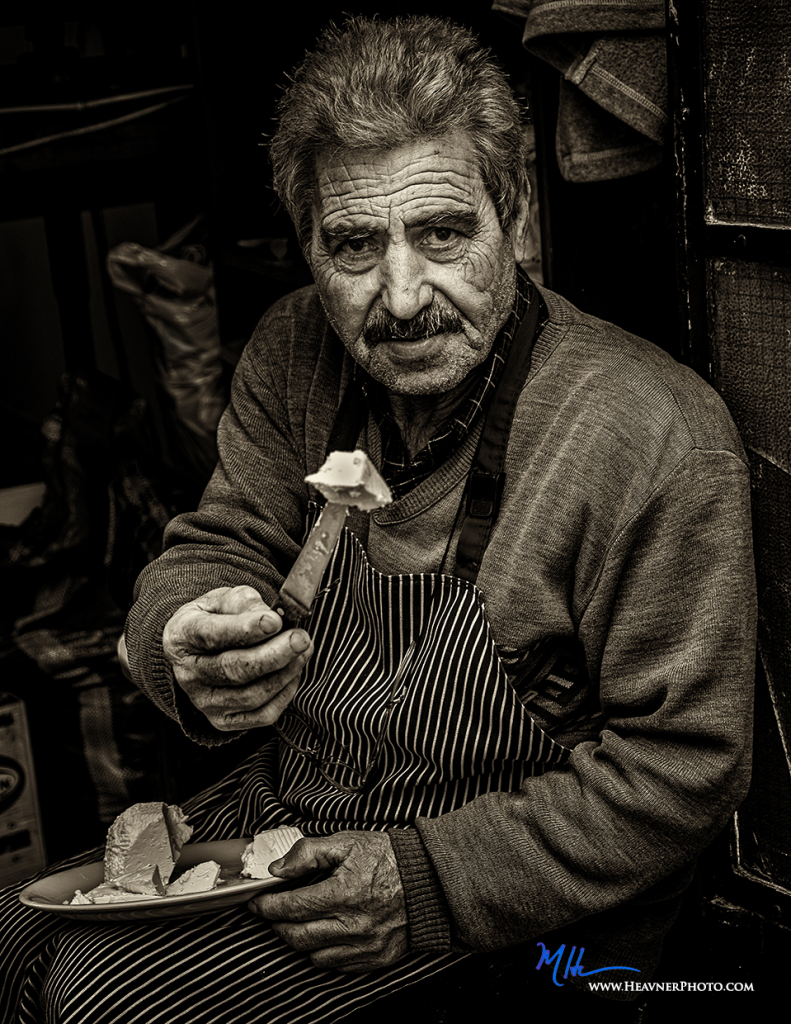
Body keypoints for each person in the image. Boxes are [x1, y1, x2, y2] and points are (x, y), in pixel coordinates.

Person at [1, 14, 756, 1023]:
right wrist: (179, 634)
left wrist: (423, 883)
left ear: (515, 218)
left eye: (441, 233)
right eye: (353, 245)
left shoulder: (648, 432)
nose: (399, 298)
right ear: (306, 246)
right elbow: (220, 541)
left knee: (99, 998)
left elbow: (682, 774)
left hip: (516, 905)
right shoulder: (291, 350)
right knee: (12, 931)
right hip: (295, 812)